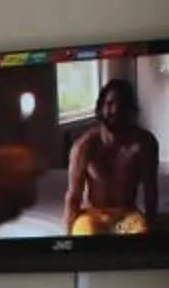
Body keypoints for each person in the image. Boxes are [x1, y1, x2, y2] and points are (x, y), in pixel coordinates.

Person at [64, 76, 159, 235]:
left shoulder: (144, 144)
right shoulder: (84, 146)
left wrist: (152, 228)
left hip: (128, 214)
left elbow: (151, 191)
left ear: (130, 109)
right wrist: (67, 238)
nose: (115, 110)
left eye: (122, 105)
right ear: (101, 108)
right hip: (91, 215)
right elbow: (73, 196)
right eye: (109, 104)